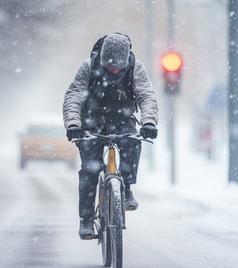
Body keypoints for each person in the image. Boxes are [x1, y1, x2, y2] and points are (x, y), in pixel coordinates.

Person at [62, 33, 158, 239]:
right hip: (91, 123)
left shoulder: (135, 68)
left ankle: (126, 189)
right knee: (90, 170)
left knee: (133, 143)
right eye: (109, 66)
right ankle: (86, 220)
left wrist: (149, 121)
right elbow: (74, 96)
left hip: (123, 119)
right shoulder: (88, 67)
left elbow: (146, 95)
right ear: (102, 59)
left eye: (118, 67)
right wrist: (73, 124)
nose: (114, 70)